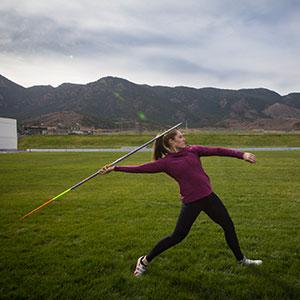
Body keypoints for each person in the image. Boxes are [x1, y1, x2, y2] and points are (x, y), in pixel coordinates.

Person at [99, 129, 263, 277]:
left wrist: (242, 155)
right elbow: (140, 168)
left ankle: (241, 260)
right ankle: (143, 261)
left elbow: (218, 150)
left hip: (209, 197)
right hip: (192, 202)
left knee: (228, 225)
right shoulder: (165, 162)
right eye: (180, 136)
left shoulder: (193, 151)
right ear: (171, 141)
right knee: (177, 236)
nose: (184, 138)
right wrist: (115, 168)